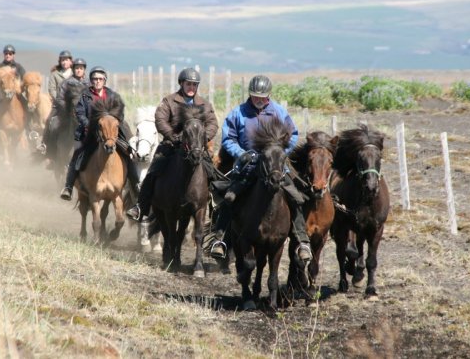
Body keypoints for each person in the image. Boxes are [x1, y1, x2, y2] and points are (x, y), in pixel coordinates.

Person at [208, 74, 313, 263]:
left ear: (269, 95)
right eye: (255, 96)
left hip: (275, 166)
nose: (259, 99)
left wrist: (280, 153)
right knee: (230, 197)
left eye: (262, 96)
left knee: (295, 197)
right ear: (250, 95)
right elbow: (228, 139)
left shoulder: (279, 112)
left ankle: (302, 242)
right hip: (248, 166)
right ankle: (220, 240)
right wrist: (241, 154)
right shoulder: (238, 113)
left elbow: (294, 135)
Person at [125, 67, 219, 221]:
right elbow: (160, 119)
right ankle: (141, 206)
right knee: (153, 171)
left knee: (213, 173)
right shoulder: (169, 100)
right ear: (181, 83)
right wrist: (173, 136)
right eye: (188, 84)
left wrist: (201, 138)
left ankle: (215, 209)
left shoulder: (204, 104)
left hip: (196, 147)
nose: (191, 87)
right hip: (172, 145)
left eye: (194, 85)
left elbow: (212, 124)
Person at [60, 66, 141, 201]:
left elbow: (119, 111)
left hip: (110, 132)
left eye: (100, 79)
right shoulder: (85, 95)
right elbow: (79, 113)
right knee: (77, 155)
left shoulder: (112, 95)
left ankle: (136, 185)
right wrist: (89, 125)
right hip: (90, 133)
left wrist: (112, 122)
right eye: (94, 79)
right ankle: (68, 187)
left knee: (128, 153)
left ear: (104, 80)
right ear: (91, 80)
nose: (97, 81)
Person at [38, 57, 87, 158]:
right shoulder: (66, 83)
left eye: (81, 68)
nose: (79, 70)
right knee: (53, 124)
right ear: (73, 69)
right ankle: (49, 150)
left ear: (84, 70)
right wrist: (69, 109)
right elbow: (60, 99)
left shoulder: (88, 83)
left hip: (84, 113)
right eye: (77, 68)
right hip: (67, 113)